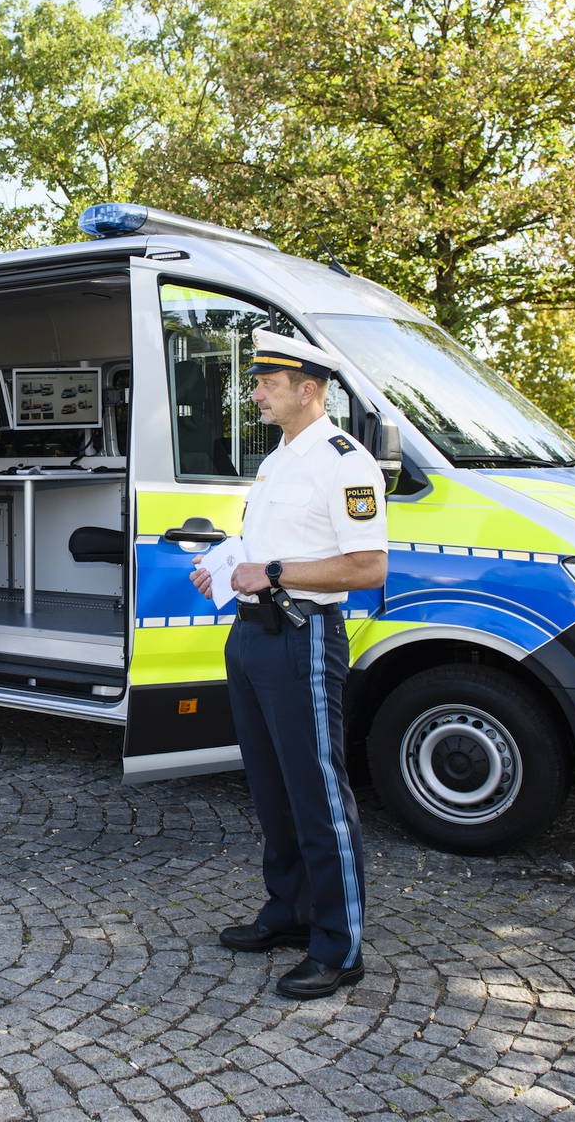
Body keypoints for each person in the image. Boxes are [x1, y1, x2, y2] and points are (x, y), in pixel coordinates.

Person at [190, 329, 389, 999]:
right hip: (252, 636)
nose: (255, 395)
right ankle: (290, 913)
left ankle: (339, 943)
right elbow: (273, 543)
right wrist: (227, 565)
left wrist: (270, 571)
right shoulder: (279, 457)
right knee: (272, 788)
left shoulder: (344, 462)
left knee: (318, 791)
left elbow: (367, 565)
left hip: (302, 637)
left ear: (309, 390)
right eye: (258, 384)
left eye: (267, 385)